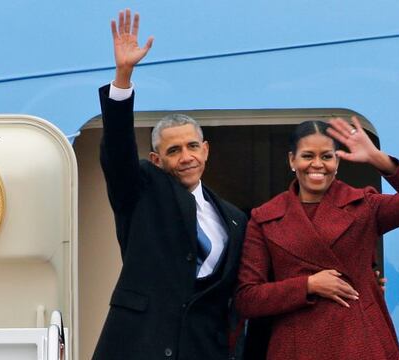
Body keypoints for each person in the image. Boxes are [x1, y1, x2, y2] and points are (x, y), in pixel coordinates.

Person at [93, 9, 247, 360]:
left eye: (193, 146)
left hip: (203, 349)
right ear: (157, 160)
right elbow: (118, 155)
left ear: (206, 151)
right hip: (138, 345)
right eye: (173, 150)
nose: (186, 156)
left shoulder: (236, 219)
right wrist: (123, 78)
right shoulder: (143, 190)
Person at [235, 117, 399, 359]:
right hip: (296, 347)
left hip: (360, 342)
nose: (317, 164)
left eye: (326, 156)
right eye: (307, 155)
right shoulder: (265, 218)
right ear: (292, 160)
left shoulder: (364, 205)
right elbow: (247, 299)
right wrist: (309, 285)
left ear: (337, 161)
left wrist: (377, 158)